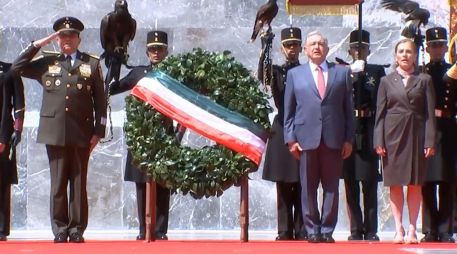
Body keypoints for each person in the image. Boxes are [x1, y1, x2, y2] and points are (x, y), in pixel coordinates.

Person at [11, 16, 107, 243]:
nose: (67, 39)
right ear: (57, 39)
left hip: (82, 132)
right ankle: (60, 228)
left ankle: (76, 229)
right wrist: (39, 44)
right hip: (54, 131)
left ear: (78, 39)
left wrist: (98, 132)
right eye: (62, 36)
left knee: (78, 182)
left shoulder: (91, 64)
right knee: (57, 183)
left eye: (71, 35)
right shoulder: (47, 62)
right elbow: (16, 68)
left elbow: (101, 103)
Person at [284, 31, 354, 243]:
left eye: (321, 44)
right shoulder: (295, 74)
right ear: (305, 49)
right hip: (306, 138)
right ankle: (312, 229)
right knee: (308, 187)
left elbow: (348, 110)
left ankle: (327, 230)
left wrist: (349, 139)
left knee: (331, 186)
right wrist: (290, 139)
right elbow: (289, 111)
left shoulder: (341, 73)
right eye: (312, 44)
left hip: (333, 138)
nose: (317, 47)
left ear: (327, 48)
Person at [110, 30, 171, 241]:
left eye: (160, 49)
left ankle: (161, 230)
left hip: (165, 135)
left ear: (166, 51)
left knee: (163, 183)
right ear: (147, 52)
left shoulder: (174, 73)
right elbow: (113, 88)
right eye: (152, 49)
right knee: (141, 183)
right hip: (142, 137)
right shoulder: (138, 74)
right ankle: (144, 228)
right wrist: (115, 64)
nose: (156, 52)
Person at [374, 38, 436, 244]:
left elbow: (429, 114)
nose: (404, 55)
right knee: (395, 184)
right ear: (395, 55)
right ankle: (398, 228)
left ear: (415, 55)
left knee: (415, 184)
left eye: (409, 51)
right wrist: (378, 140)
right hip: (392, 138)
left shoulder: (424, 80)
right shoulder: (386, 81)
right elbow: (380, 114)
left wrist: (430, 141)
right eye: (401, 51)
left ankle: (412, 229)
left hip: (417, 137)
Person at [258, 27, 307, 241]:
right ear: (282, 48)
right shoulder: (278, 71)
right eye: (288, 45)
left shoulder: (307, 71)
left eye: (296, 44)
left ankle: (303, 227)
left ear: (301, 47)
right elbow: (264, 75)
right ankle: (285, 229)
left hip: (304, 125)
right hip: (282, 126)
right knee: (283, 181)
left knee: (304, 179)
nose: (292, 49)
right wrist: (265, 46)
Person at [342, 29, 384, 242]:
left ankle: (371, 228)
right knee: (350, 181)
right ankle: (355, 229)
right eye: (355, 47)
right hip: (349, 128)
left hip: (368, 127)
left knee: (369, 181)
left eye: (363, 47)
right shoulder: (342, 70)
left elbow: (382, 101)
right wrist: (351, 74)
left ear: (369, 49)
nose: (359, 51)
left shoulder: (376, 72)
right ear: (349, 49)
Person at [420, 27, 457, 243]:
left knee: (447, 180)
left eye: (440, 44)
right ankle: (429, 229)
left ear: (445, 47)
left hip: (448, 127)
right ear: (427, 47)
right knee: (426, 181)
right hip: (426, 127)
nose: (437, 49)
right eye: (433, 45)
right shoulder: (421, 71)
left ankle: (446, 228)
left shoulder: (453, 70)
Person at [0, 62, 25, 241]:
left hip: (2, 131)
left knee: (1, 181)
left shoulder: (9, 70)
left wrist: (14, 131)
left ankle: (1, 228)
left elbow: (18, 102)